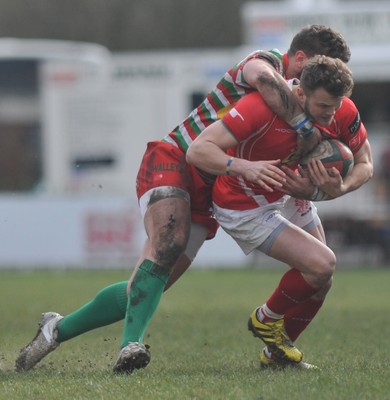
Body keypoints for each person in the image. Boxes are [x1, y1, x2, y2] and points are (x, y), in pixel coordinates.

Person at [15, 26, 352, 373]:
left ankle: (56, 329)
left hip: (213, 182)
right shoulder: (264, 63)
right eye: (319, 66)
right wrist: (305, 130)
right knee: (168, 243)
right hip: (176, 157)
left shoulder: (310, 104)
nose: (320, 78)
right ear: (300, 59)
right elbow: (263, 79)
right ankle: (130, 346)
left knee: (147, 287)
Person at [186, 55, 373, 369]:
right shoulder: (259, 108)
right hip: (243, 204)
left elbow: (365, 164)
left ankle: (277, 357)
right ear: (299, 94)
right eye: (324, 106)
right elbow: (198, 150)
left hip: (288, 193)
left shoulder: (341, 110)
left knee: (322, 278)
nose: (331, 115)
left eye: (336, 105)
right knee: (323, 263)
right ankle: (266, 318)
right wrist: (243, 166)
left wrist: (335, 190)